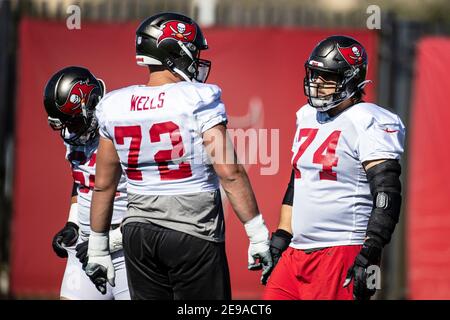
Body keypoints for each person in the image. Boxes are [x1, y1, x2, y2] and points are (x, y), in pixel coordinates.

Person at [83, 12, 272, 300]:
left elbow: (104, 184)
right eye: (193, 51)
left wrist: (97, 246)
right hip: (191, 230)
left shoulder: (115, 105)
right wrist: (257, 232)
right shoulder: (197, 97)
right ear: (174, 51)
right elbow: (229, 172)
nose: (196, 59)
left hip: (138, 233)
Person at [262, 35, 405, 300]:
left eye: (326, 77)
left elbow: (387, 193)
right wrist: (282, 236)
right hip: (297, 250)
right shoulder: (306, 115)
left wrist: (371, 250)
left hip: (340, 250)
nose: (316, 83)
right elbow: (298, 182)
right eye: (314, 74)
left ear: (350, 80)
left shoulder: (367, 120)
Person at [44, 66, 130, 300]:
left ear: (91, 102)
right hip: (85, 248)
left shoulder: (124, 128)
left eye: (73, 123)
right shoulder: (76, 135)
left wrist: (106, 242)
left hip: (128, 252)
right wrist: (72, 223)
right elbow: (81, 183)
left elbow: (150, 199)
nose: (70, 131)